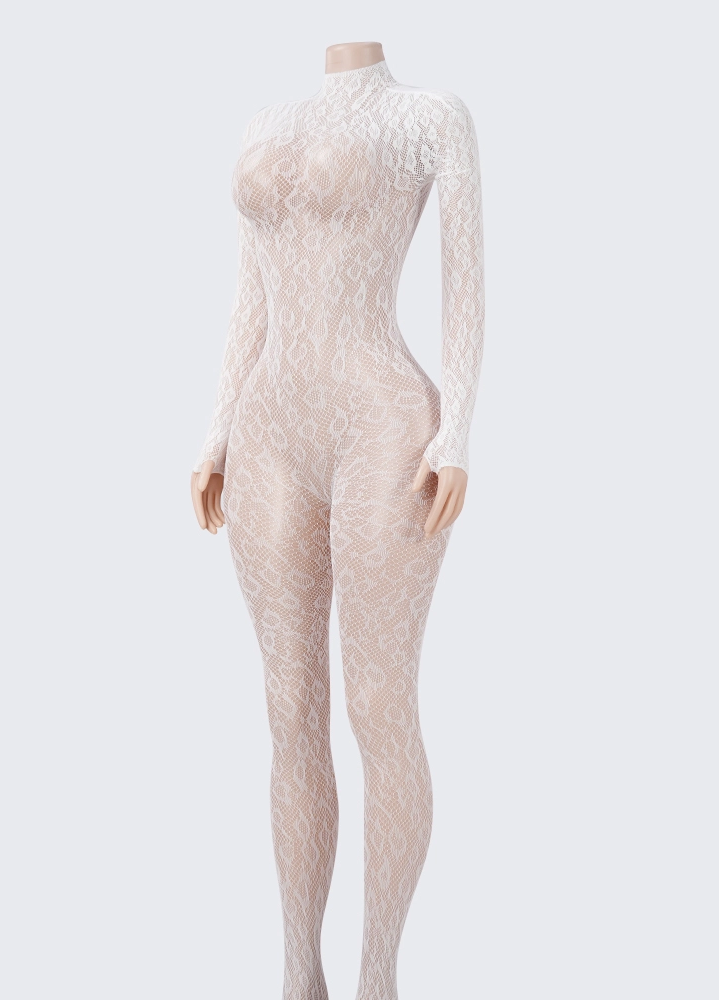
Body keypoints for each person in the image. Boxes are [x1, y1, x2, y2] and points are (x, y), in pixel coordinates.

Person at [190, 41, 484, 1000]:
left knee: (377, 702)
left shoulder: (430, 115)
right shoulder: (265, 121)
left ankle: (378, 977)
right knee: (286, 706)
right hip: (268, 426)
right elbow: (250, 292)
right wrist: (216, 429)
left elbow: (463, 279)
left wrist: (458, 431)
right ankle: (296, 976)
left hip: (381, 422)